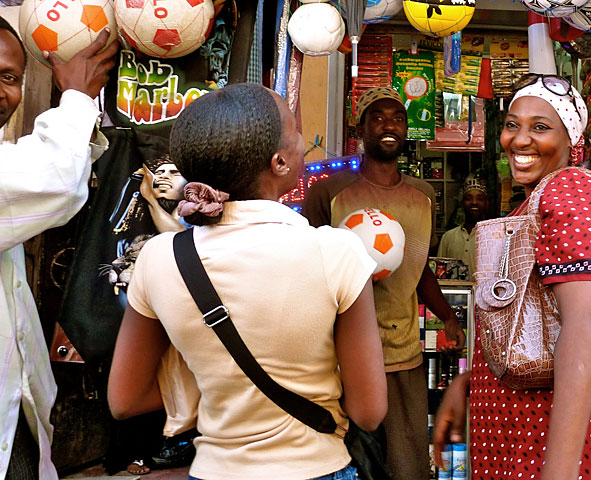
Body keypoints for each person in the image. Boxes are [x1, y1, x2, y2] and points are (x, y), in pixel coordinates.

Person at [107, 83, 387, 480]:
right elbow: (369, 411)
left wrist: (222, 390)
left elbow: (125, 399)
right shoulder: (337, 252)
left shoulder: (160, 257)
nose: (302, 140)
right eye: (295, 130)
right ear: (280, 162)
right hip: (317, 466)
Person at [433, 75, 591, 480]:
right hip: (533, 441)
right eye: (513, 124)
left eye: (541, 127)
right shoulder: (535, 203)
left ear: (574, 143)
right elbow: (536, 331)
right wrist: (470, 384)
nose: (519, 139)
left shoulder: (570, 189)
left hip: (582, 453)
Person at [304, 85, 466, 479]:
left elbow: (419, 264)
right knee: (347, 461)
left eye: (397, 118)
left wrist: (447, 316)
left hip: (403, 353)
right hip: (339, 359)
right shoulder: (330, 191)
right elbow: (307, 267)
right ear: (360, 129)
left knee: (405, 463)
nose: (389, 125)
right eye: (377, 118)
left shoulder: (424, 195)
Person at [0, 18, 117, 480]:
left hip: (18, 417)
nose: (2, 90)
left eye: (10, 77)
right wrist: (77, 98)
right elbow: (56, 184)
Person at [437, 176, 489, 277]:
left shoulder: (494, 238)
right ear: (462, 203)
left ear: (486, 204)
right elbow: (441, 273)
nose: (474, 202)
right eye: (469, 198)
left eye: (480, 199)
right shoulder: (448, 237)